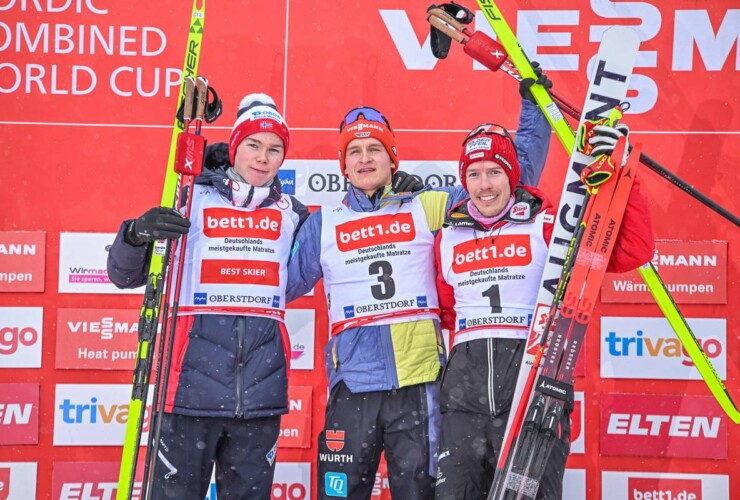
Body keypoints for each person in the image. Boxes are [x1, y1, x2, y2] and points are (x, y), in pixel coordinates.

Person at [286, 75, 553, 499]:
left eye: (375, 149)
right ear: (344, 165)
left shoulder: (428, 204)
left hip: (420, 382)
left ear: (393, 157)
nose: (365, 159)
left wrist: (534, 112)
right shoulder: (324, 223)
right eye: (354, 152)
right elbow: (270, 286)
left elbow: (502, 181)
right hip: (353, 383)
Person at [432, 120, 655, 499]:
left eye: (494, 172)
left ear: (512, 175)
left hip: (534, 395)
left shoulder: (548, 224)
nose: (484, 185)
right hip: (464, 407)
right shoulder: (447, 236)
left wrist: (622, 174)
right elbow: (447, 310)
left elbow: (632, 248)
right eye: (474, 173)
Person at [107, 94, 309, 499]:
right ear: (234, 148)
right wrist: (134, 235)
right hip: (185, 394)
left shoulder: (295, 215)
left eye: (275, 149)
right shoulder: (188, 198)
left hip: (259, 400)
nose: (263, 158)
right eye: (253, 145)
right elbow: (123, 275)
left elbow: (323, 266)